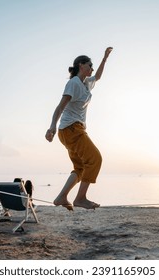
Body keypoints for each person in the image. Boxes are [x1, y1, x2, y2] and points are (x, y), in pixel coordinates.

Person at [45, 47, 113, 210]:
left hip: (71, 130)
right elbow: (60, 107)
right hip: (71, 129)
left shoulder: (87, 83)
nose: (92, 68)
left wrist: (105, 58)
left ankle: (61, 197)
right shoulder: (74, 83)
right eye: (90, 65)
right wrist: (51, 127)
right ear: (81, 65)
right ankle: (80, 198)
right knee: (95, 159)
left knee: (80, 168)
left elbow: (98, 76)